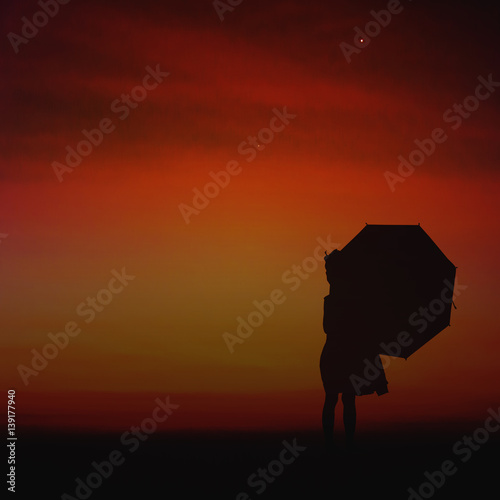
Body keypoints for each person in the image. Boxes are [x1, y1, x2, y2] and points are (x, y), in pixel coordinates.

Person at [320, 249, 388, 451]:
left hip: (339, 352)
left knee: (341, 397)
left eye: (329, 271)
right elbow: (329, 327)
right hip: (339, 352)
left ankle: (339, 444)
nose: (327, 275)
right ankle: (339, 444)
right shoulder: (345, 299)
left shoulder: (344, 300)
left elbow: (329, 327)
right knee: (340, 397)